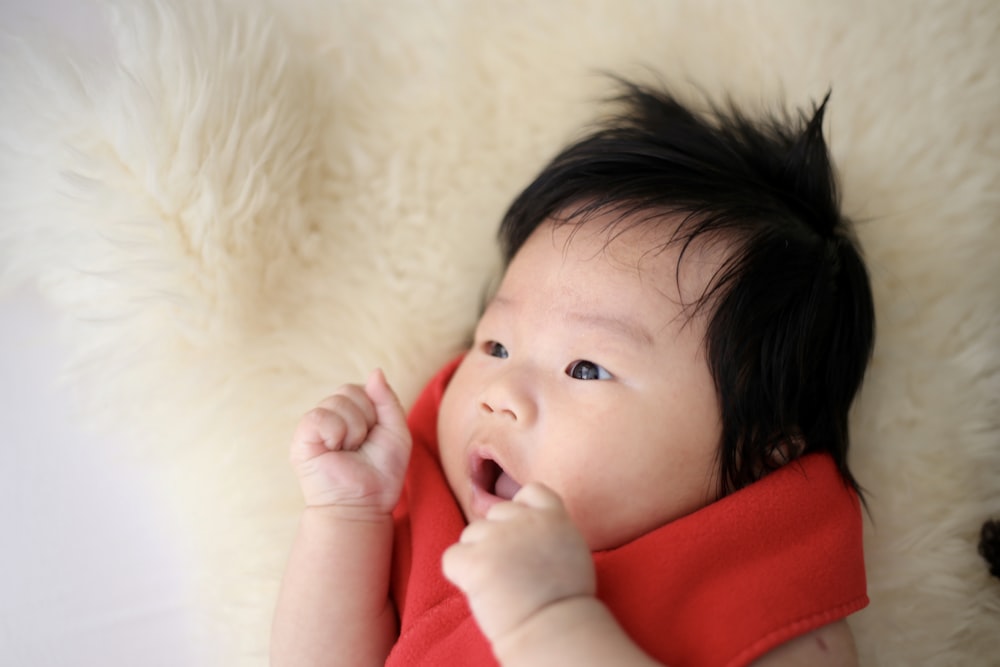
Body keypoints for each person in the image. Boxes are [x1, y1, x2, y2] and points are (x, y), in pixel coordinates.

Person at [271, 79, 875, 667]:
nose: (500, 395)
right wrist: (346, 518)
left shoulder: (774, 604)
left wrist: (548, 621)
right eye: (497, 346)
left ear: (763, 449)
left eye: (586, 368)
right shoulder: (435, 513)